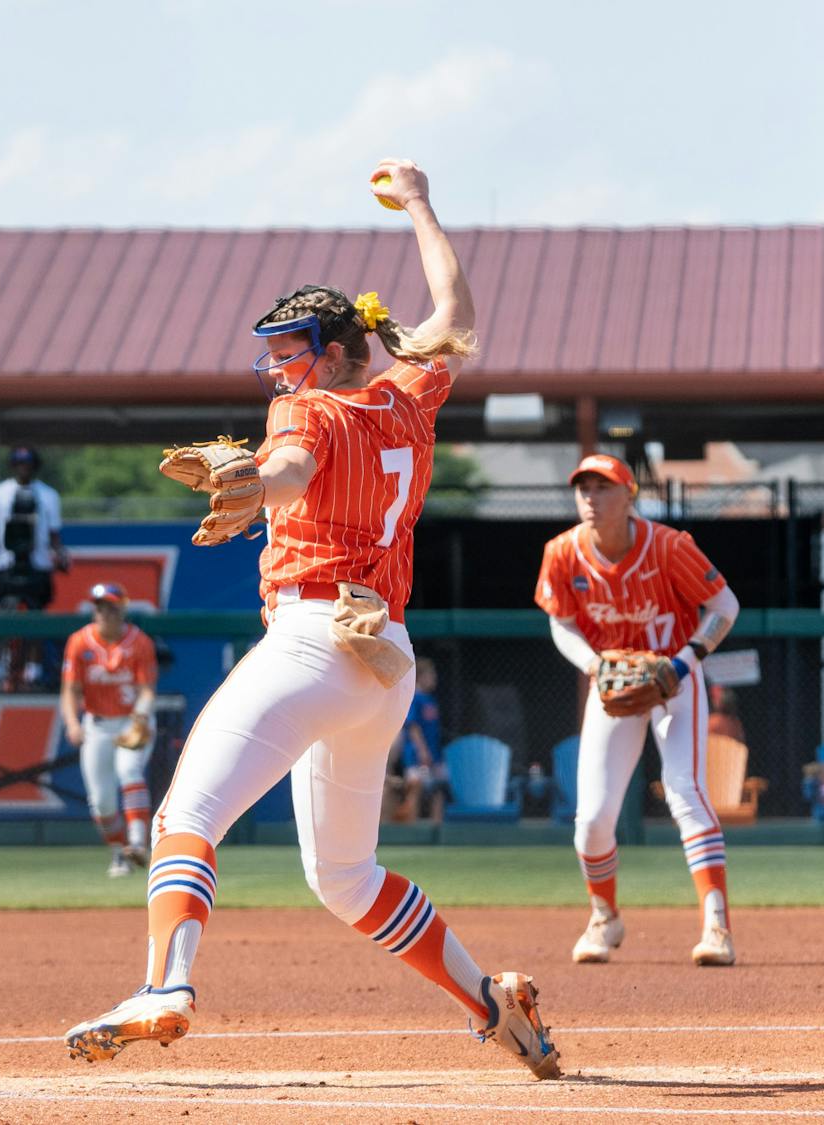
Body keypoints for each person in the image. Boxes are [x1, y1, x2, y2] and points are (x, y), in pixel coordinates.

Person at [65, 160, 560, 1080]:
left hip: (312, 637)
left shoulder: (307, 408)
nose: (277, 365)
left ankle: (165, 986)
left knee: (185, 812)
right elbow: (454, 313)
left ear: (332, 351)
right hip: (385, 660)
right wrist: (418, 203)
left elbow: (291, 465)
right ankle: (491, 1003)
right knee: (344, 877)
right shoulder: (406, 397)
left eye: (291, 348)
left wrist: (255, 480)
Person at [535, 453, 742, 968]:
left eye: (603, 488)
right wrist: (593, 664)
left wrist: (685, 661)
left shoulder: (670, 547)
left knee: (685, 791)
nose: (590, 497)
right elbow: (561, 622)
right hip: (614, 685)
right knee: (592, 820)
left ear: (629, 495)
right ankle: (604, 917)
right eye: (583, 487)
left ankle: (717, 925)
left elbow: (725, 606)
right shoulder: (562, 553)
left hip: (674, 679)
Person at [60, 582, 159, 878]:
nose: (104, 613)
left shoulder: (139, 642)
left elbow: (147, 690)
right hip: (98, 724)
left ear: (122, 610)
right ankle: (120, 852)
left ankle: (139, 842)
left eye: (111, 607)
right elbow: (70, 690)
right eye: (99, 607)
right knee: (101, 801)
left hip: (132, 720)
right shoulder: (79, 641)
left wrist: (141, 716)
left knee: (130, 771)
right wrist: (72, 723)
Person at [0, 447, 69, 612]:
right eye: (19, 463)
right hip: (5, 563)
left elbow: (54, 533)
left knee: (37, 613)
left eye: (27, 464)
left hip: (38, 564)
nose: (23, 468)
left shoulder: (49, 495)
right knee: (3, 613)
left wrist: (60, 555)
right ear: (13, 465)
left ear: (35, 466)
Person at [397, 657, 449, 823]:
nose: (434, 678)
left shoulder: (431, 699)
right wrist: (422, 751)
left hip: (435, 754)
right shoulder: (415, 698)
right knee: (415, 789)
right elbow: (412, 727)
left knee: (439, 789)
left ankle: (437, 827)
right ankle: (411, 830)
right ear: (419, 677)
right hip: (417, 754)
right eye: (430, 675)